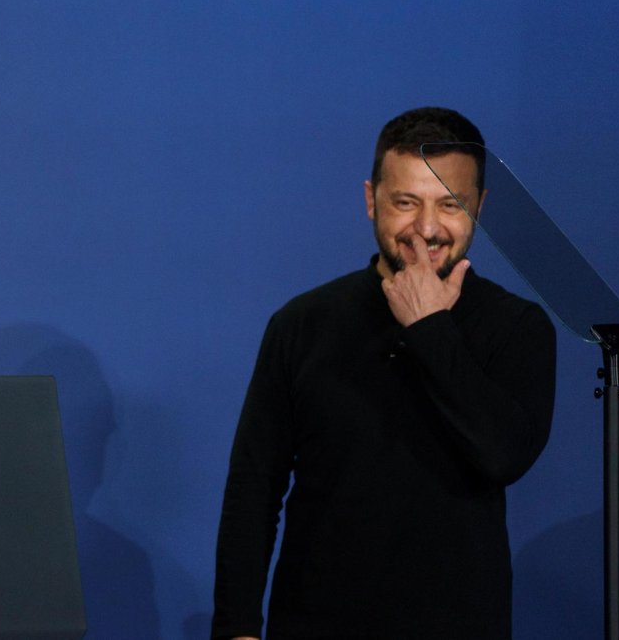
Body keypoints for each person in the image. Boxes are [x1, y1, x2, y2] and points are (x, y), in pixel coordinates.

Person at [212, 107, 556, 640]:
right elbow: (253, 489)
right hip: (314, 622)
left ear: (480, 208)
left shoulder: (518, 327)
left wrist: (430, 329)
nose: (426, 228)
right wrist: (236, 629)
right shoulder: (302, 324)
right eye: (406, 202)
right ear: (371, 199)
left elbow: (503, 455)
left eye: (451, 205)